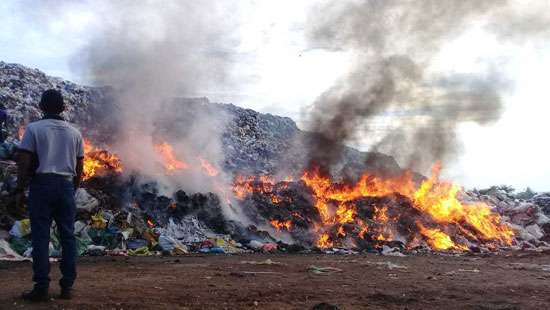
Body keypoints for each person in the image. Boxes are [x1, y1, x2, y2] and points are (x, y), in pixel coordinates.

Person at [15, 89, 84, 302]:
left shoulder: (34, 129)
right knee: (68, 237)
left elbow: (24, 160)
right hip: (65, 186)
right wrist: (72, 188)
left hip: (42, 185)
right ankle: (67, 287)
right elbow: (80, 166)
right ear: (63, 108)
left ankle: (41, 287)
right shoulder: (75, 133)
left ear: (41, 106)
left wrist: (20, 188)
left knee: (41, 236)